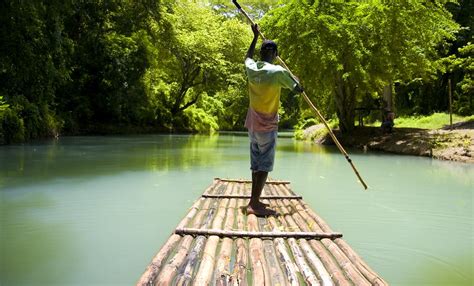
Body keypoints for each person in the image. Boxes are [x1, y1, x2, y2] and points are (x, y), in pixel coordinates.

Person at [244, 24, 303, 216]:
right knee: (265, 165)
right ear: (276, 54)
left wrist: (254, 37)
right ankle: (254, 204)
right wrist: (295, 77)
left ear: (261, 53)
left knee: (256, 164)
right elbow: (298, 89)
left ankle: (254, 200)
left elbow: (247, 58)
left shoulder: (252, 68)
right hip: (267, 126)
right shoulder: (278, 72)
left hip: (252, 125)